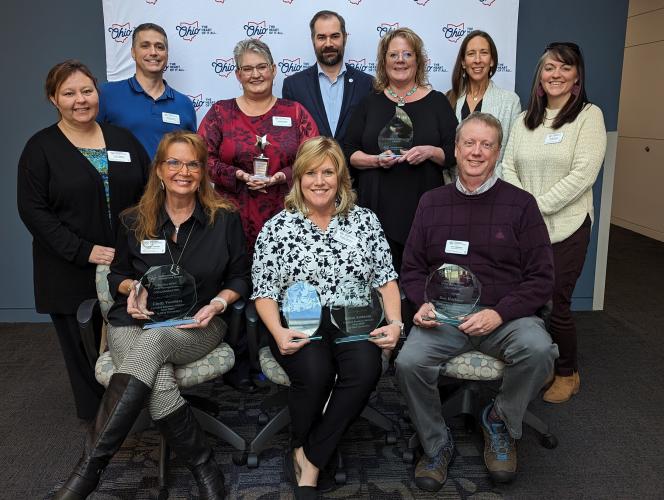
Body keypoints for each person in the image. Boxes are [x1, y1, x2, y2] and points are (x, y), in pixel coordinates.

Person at [54, 131, 250, 500]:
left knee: (155, 341)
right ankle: (204, 466)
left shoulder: (224, 219)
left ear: (203, 170)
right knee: (157, 375)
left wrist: (219, 303)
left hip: (197, 323)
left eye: (193, 163)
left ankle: (87, 472)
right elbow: (116, 275)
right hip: (135, 321)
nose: (184, 171)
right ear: (159, 170)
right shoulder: (132, 219)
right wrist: (132, 290)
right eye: (173, 162)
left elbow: (240, 276)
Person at [396, 113, 559, 490]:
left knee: (540, 351)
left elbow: (541, 278)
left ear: (498, 152)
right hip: (445, 317)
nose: (476, 151)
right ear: (455, 149)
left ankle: (499, 419)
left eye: (486, 144)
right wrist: (421, 303)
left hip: (505, 318)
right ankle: (436, 444)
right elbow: (413, 267)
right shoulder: (432, 202)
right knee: (408, 362)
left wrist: (499, 313)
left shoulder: (521, 205)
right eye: (469, 143)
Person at [252, 137, 402, 499]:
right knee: (315, 373)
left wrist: (395, 322)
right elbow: (264, 291)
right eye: (310, 173)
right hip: (298, 319)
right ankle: (313, 456)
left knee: (366, 369)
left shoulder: (365, 221)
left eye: (328, 172)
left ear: (341, 177)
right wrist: (277, 331)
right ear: (298, 179)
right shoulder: (277, 227)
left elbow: (386, 279)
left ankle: (309, 455)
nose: (319, 181)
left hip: (354, 316)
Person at [17, 60, 149, 422]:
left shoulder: (122, 139)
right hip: (68, 267)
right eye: (69, 93)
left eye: (87, 91)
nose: (80, 100)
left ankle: (136, 407)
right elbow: (34, 212)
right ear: (53, 99)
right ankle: (99, 423)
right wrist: (84, 250)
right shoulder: (40, 148)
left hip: (125, 264)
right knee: (84, 348)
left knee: (131, 337)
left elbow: (148, 192)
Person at [502, 42, 607, 404]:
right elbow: (507, 167)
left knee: (555, 302)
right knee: (525, 300)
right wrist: (525, 212)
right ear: (540, 75)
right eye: (549, 68)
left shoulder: (589, 116)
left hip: (568, 226)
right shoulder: (524, 118)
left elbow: (583, 175)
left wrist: (534, 208)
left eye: (565, 68)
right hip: (525, 231)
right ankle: (536, 362)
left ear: (577, 76)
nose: (556, 75)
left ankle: (567, 371)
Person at [344, 27, 457, 274]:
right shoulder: (369, 102)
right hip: (376, 210)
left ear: (418, 60)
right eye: (393, 54)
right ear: (384, 61)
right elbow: (348, 151)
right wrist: (375, 160)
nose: (400, 60)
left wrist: (430, 151)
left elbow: (454, 151)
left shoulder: (437, 102)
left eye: (407, 54)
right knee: (378, 281)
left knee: (421, 281)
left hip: (424, 210)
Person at [198, 38, 318, 253]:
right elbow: (201, 158)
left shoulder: (295, 112)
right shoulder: (220, 113)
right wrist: (237, 175)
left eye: (262, 67)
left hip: (288, 220)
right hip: (230, 221)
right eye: (247, 68)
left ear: (273, 70)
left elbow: (314, 160)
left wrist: (283, 175)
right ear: (238, 74)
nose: (255, 74)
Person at [98, 22, 197, 158]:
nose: (153, 52)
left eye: (159, 47)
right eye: (145, 46)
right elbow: (90, 141)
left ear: (166, 54)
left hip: (169, 179)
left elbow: (191, 154)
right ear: (133, 52)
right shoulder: (107, 95)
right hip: (124, 179)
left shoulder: (184, 104)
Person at [282, 10, 373, 144]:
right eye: (321, 37)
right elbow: (291, 139)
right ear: (313, 40)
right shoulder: (294, 86)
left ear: (345, 38)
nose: (328, 43)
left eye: (335, 36)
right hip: (312, 165)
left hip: (354, 164)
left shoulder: (367, 84)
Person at [446, 30, 521, 176]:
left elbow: (510, 157)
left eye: (484, 53)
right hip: (454, 190)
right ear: (463, 62)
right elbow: (445, 153)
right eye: (471, 53)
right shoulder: (448, 99)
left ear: (492, 60)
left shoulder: (510, 101)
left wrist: (486, 186)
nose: (477, 60)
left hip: (494, 189)